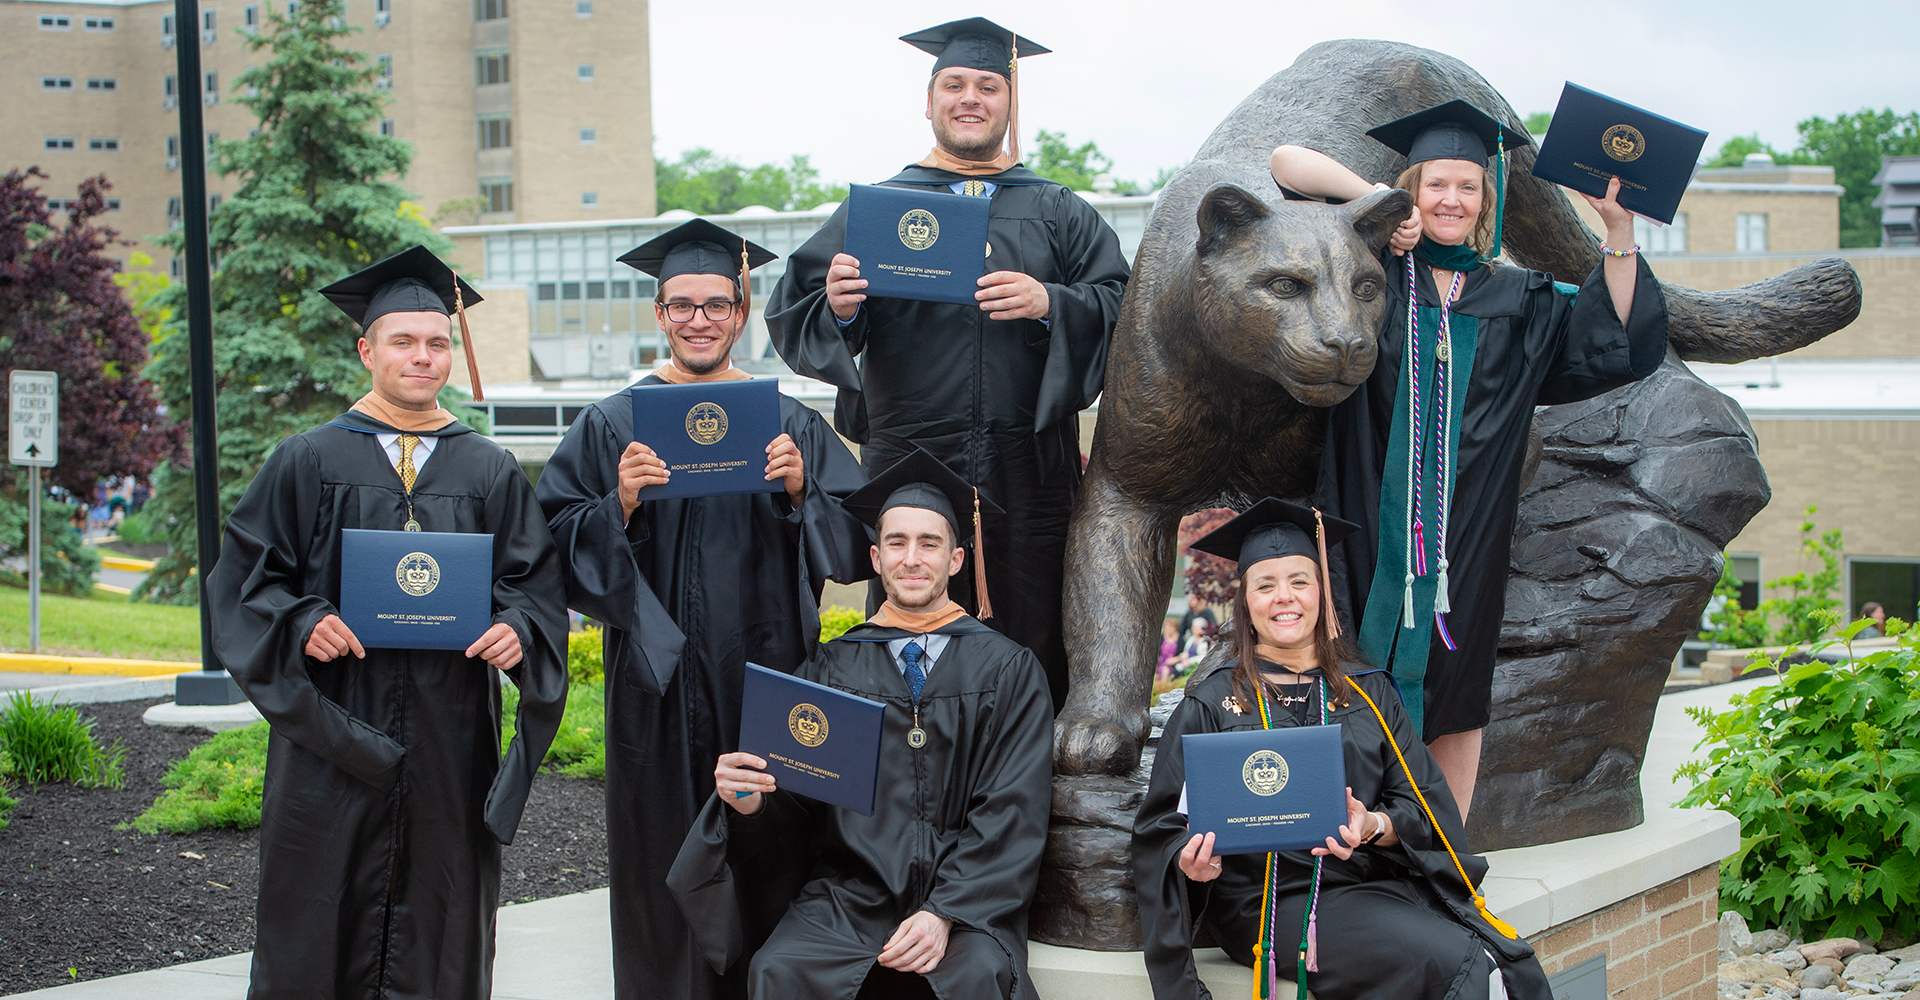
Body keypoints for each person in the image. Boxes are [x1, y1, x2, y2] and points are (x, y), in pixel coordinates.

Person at [1270, 101, 1669, 815]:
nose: (1451, 199)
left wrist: (1617, 230)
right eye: (1435, 185)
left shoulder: (1524, 299)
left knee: (1456, 687)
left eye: (1468, 187)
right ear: (1413, 190)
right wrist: (1376, 204)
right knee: (1353, 669)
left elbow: (1618, 344)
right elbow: (1285, 164)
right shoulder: (1371, 277)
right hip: (1364, 522)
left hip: (1468, 539)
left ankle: (1441, 849)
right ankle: (1349, 845)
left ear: (1487, 202)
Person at [206, 245, 569, 999]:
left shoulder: (488, 469)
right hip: (334, 729)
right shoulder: (306, 459)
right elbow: (244, 581)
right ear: (365, 348)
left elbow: (533, 584)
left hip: (450, 730)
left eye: (437, 342)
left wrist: (520, 629)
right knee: (317, 908)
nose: (422, 357)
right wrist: (302, 618)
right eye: (402, 341)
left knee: (443, 913)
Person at [534, 219, 871, 1000]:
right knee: (659, 867)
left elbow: (860, 548)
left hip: (770, 684)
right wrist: (615, 503)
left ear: (740, 313)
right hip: (656, 689)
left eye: (716, 304)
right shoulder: (613, 423)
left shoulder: (788, 423)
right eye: (681, 305)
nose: (699, 319)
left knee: (771, 856)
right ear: (658, 314)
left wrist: (800, 492)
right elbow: (546, 549)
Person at [766, 17, 1131, 708]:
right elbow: (793, 305)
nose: (971, 98)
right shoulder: (881, 209)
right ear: (929, 100)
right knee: (910, 640)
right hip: (912, 463)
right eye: (955, 84)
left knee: (1032, 634)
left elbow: (1123, 306)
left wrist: (1050, 301)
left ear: (1009, 102)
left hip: (1027, 471)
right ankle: (908, 800)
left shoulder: (1056, 210)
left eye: (988, 86)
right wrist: (842, 307)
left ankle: (1028, 799)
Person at [671, 449, 1053, 1000]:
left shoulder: (1007, 670)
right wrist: (751, 800)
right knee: (779, 968)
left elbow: (1012, 810)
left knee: (973, 978)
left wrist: (944, 912)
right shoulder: (832, 667)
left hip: (968, 905)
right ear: (875, 558)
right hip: (851, 899)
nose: (912, 559)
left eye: (930, 543)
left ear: (957, 560)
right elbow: (798, 794)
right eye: (897, 543)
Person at [1133, 498, 1550, 1000]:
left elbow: (1424, 804)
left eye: (1299, 581)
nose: (1284, 597)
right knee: (1457, 963)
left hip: (1375, 882)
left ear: (1321, 593)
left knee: (1512, 963)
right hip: (1271, 903)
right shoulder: (1212, 704)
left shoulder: (1368, 693)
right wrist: (1191, 863)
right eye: (1265, 586)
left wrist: (1373, 825)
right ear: (1245, 602)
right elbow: (1161, 831)